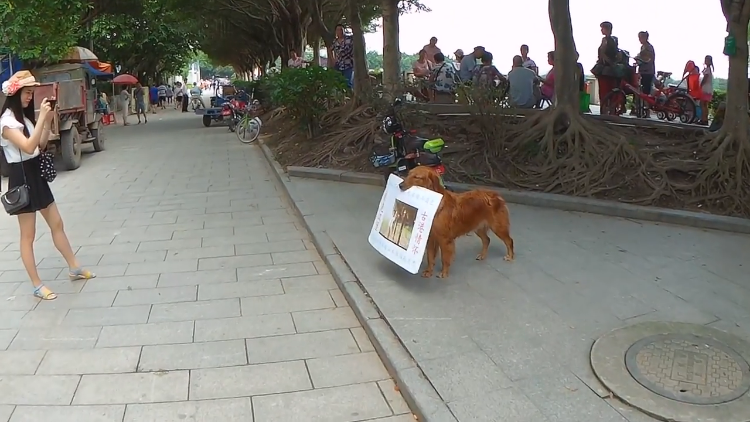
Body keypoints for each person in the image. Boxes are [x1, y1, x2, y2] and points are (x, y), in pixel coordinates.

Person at [0, 71, 96, 300]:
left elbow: (39, 145)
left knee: (57, 223)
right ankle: (36, 284)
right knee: (28, 235)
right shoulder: (6, 122)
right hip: (20, 176)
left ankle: (74, 267)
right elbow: (26, 146)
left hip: (36, 173)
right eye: (27, 93)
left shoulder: (24, 118)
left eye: (31, 93)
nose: (29, 97)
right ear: (15, 93)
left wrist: (45, 121)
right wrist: (41, 118)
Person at [593, 21, 620, 114]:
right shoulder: (609, 40)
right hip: (608, 68)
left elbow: (606, 54)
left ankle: (606, 109)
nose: (601, 30)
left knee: (606, 90)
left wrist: (607, 62)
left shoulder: (609, 40)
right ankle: (607, 108)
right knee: (606, 90)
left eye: (603, 28)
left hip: (606, 69)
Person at [634, 31, 655, 116]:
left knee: (646, 92)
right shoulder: (643, 47)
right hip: (644, 71)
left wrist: (639, 60)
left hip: (647, 72)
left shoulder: (648, 47)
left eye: (641, 37)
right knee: (642, 91)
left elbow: (647, 59)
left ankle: (647, 111)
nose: (639, 39)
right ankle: (642, 109)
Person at [699, 55, 714, 125]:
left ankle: (703, 119)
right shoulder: (709, 69)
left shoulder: (708, 69)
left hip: (705, 88)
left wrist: (701, 85)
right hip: (709, 89)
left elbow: (705, 78)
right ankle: (705, 119)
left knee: (702, 104)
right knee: (705, 105)